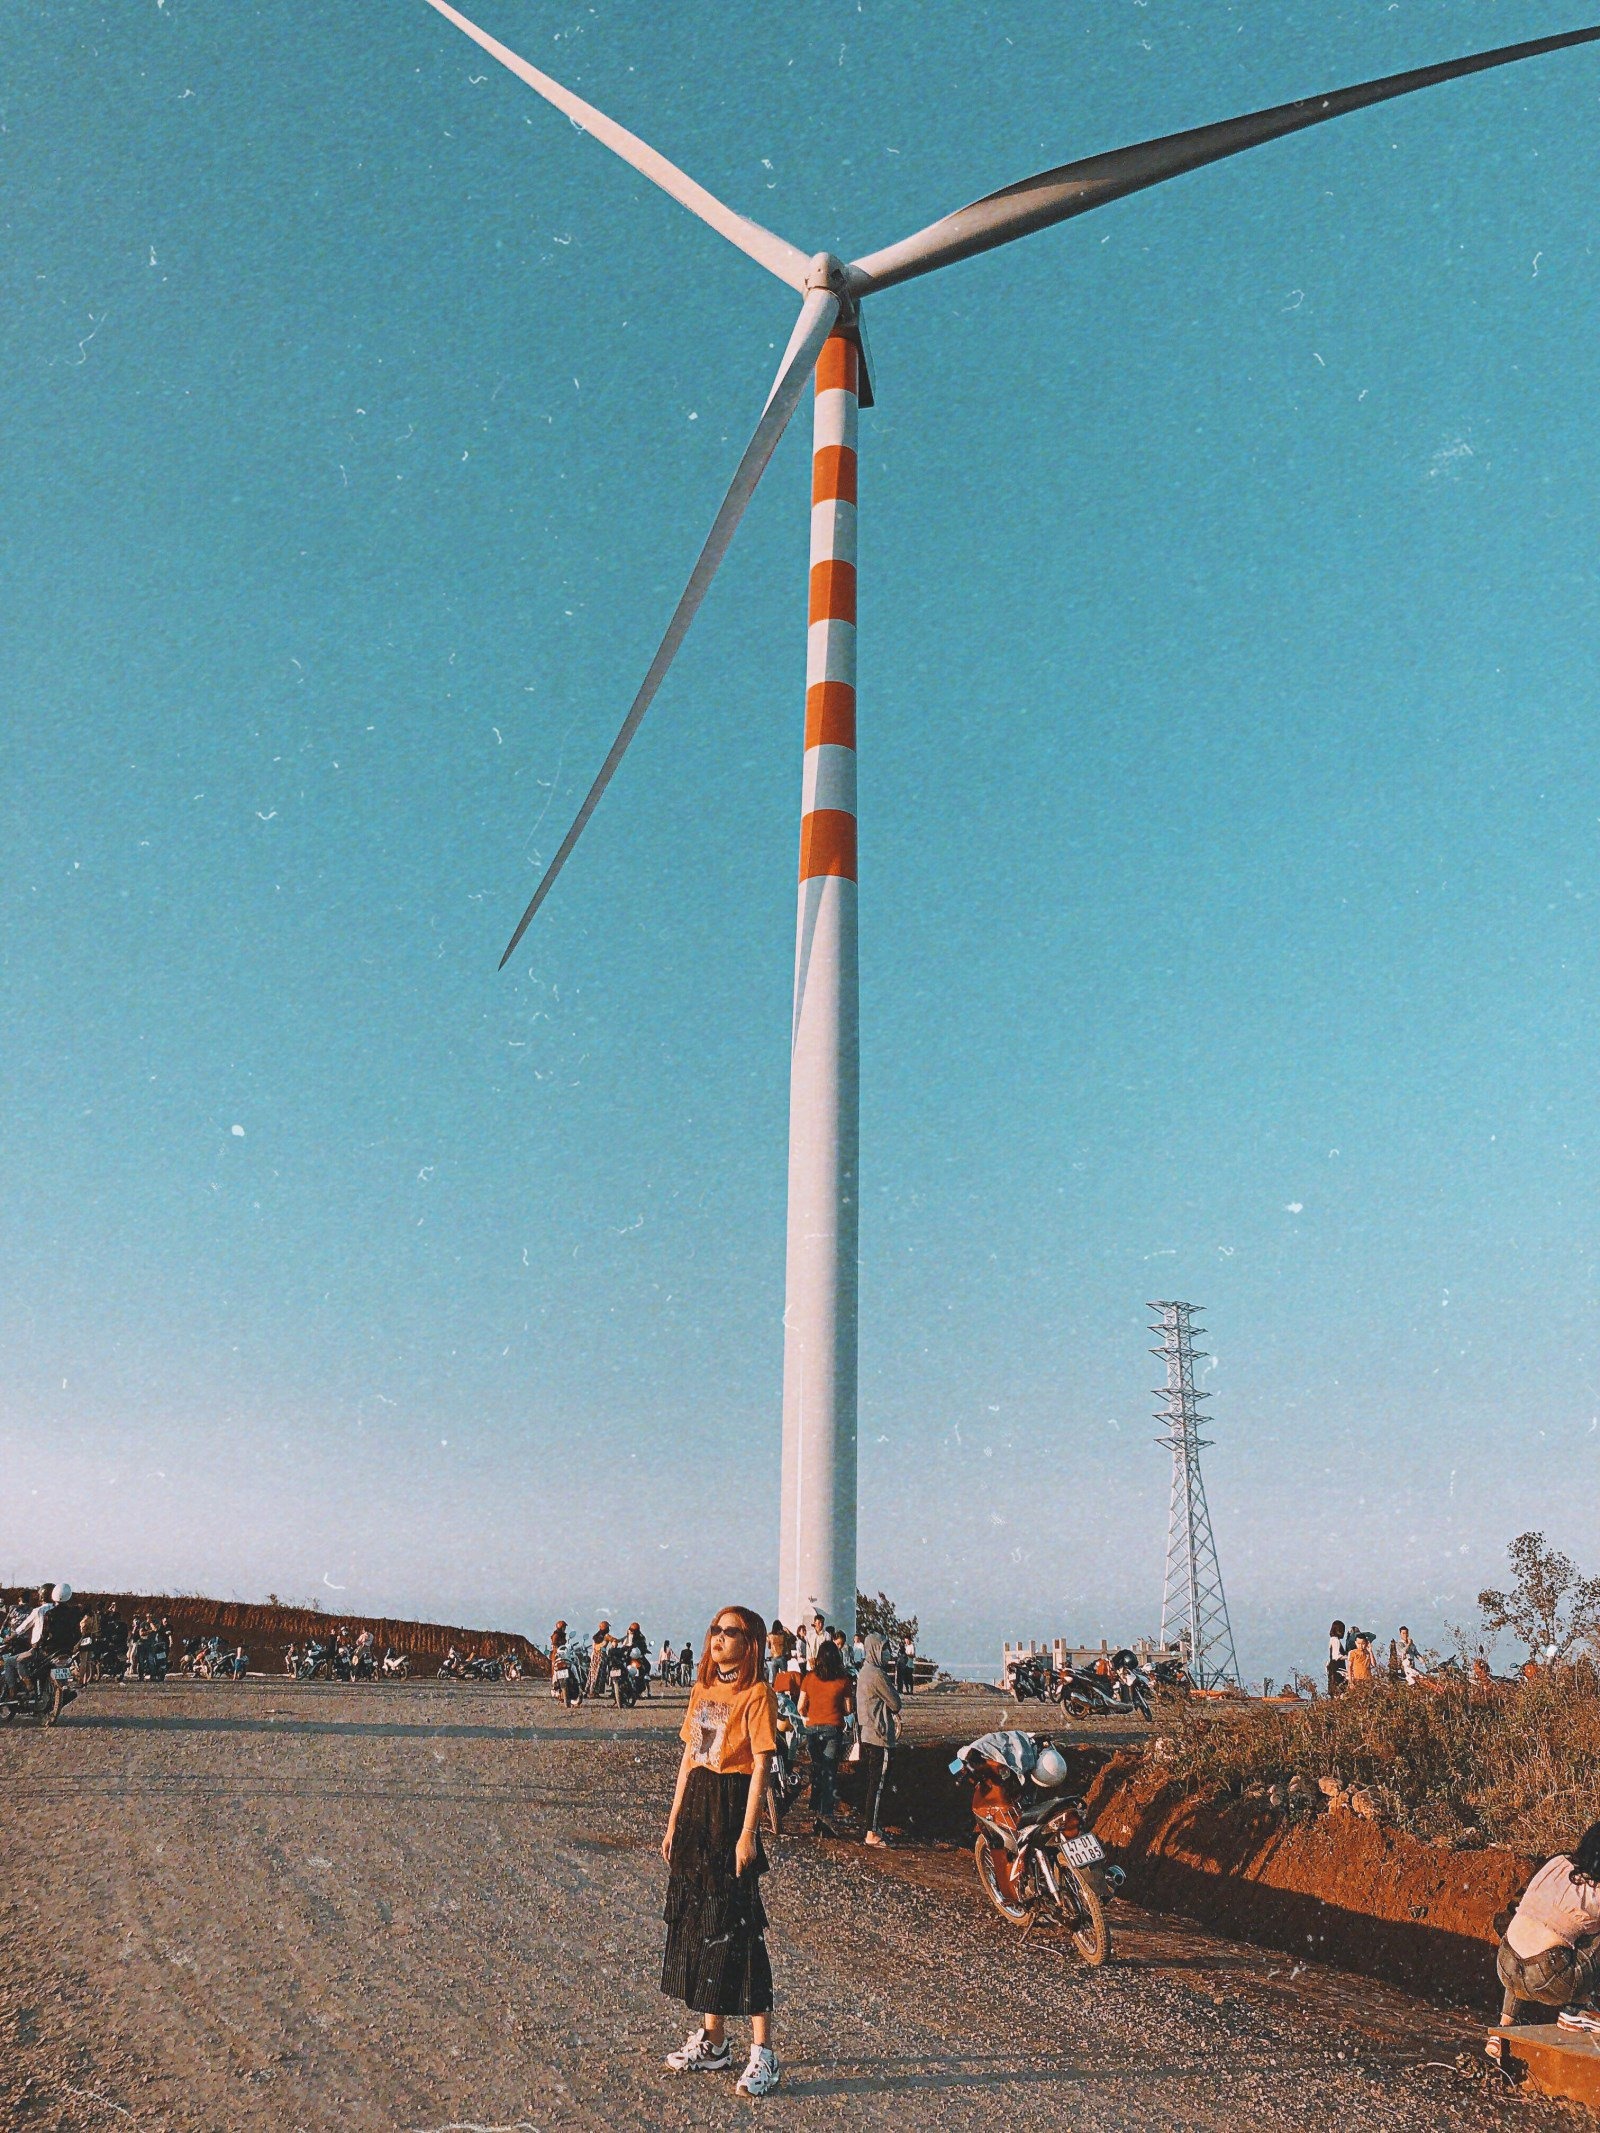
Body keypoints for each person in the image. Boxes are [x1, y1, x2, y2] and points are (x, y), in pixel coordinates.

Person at [661, 1605, 781, 2097]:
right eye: (715, 1629)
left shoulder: (758, 1695)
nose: (719, 1637)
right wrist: (674, 1819)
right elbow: (690, 1756)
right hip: (697, 1807)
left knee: (739, 1926)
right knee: (701, 1922)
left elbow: (761, 1766)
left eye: (730, 1632)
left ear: (750, 1644)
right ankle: (713, 2041)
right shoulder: (702, 1691)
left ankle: (763, 2052)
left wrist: (748, 1833)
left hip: (731, 1809)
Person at [1498, 1820, 1600, 2030]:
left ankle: (1504, 2026)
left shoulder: (1556, 1862)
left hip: (1505, 1964)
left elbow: (1511, 1911)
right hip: (1550, 1977)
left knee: (1530, 1930)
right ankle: (1578, 2010)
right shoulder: (1596, 1889)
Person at [798, 1636, 854, 1836]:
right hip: (832, 1729)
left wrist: (811, 1715)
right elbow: (848, 1709)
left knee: (818, 1769)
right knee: (829, 1771)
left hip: (813, 1729)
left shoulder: (809, 1678)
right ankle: (825, 1816)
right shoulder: (843, 1680)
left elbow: (800, 1707)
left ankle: (815, 1810)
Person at [854, 1633, 901, 1848]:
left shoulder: (864, 1671)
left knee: (873, 1784)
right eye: (884, 1649)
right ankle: (871, 1832)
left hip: (868, 1733)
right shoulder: (877, 1674)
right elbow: (895, 1703)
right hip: (879, 1735)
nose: (887, 1653)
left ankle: (872, 1827)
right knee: (878, 1785)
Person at [1326, 1620, 1348, 1699]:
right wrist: (1348, 1657)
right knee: (1340, 1689)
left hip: (1333, 1667)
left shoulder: (1332, 1639)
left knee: (1335, 1689)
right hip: (1337, 1667)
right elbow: (1336, 1656)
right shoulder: (1336, 1640)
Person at [897, 1631, 916, 1696]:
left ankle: (911, 1690)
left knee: (909, 1677)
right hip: (904, 1664)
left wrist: (906, 1654)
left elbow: (913, 1655)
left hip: (909, 1664)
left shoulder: (912, 1646)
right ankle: (907, 1690)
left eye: (907, 1640)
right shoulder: (906, 1646)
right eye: (905, 1641)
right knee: (905, 1678)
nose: (906, 1642)